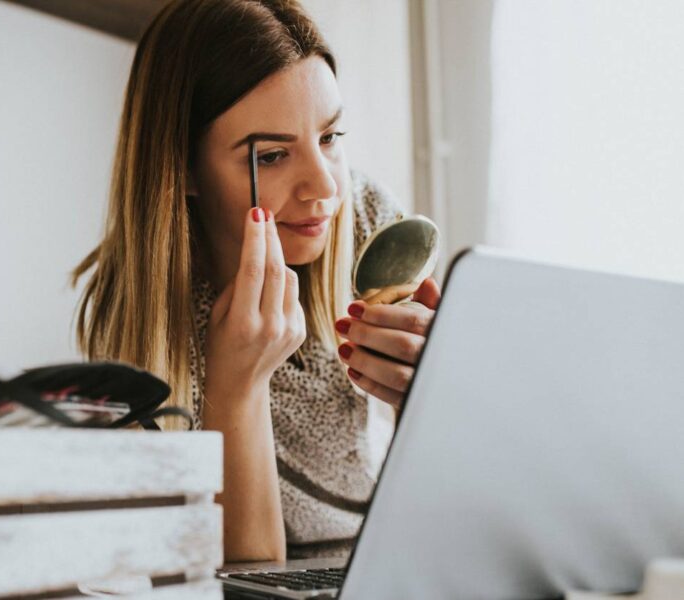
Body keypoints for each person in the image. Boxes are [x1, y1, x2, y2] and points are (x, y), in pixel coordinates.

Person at [70, 0, 440, 563]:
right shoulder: (141, 326)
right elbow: (248, 577)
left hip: (386, 552)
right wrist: (235, 389)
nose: (323, 187)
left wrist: (439, 395)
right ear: (184, 168)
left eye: (331, 137)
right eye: (270, 156)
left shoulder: (365, 224)